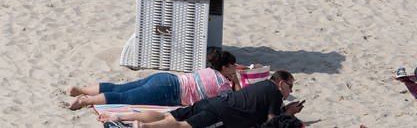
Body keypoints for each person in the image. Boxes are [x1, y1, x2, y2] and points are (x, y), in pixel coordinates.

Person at [65, 48, 239, 110]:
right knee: (125, 98)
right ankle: (85, 101)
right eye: (233, 66)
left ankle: (80, 90)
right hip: (169, 92)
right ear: (225, 67)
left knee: (121, 88)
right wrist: (236, 81)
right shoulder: (222, 85)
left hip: (166, 79)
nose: (235, 69)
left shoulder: (208, 70)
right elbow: (235, 100)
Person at [125, 70, 302, 127]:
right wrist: (288, 112)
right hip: (220, 113)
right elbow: (272, 123)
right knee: (181, 126)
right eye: (290, 85)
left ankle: (121, 118)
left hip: (213, 101)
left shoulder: (261, 85)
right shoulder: (275, 94)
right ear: (281, 83)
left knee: (168, 116)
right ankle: (144, 127)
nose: (291, 90)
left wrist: (286, 110)